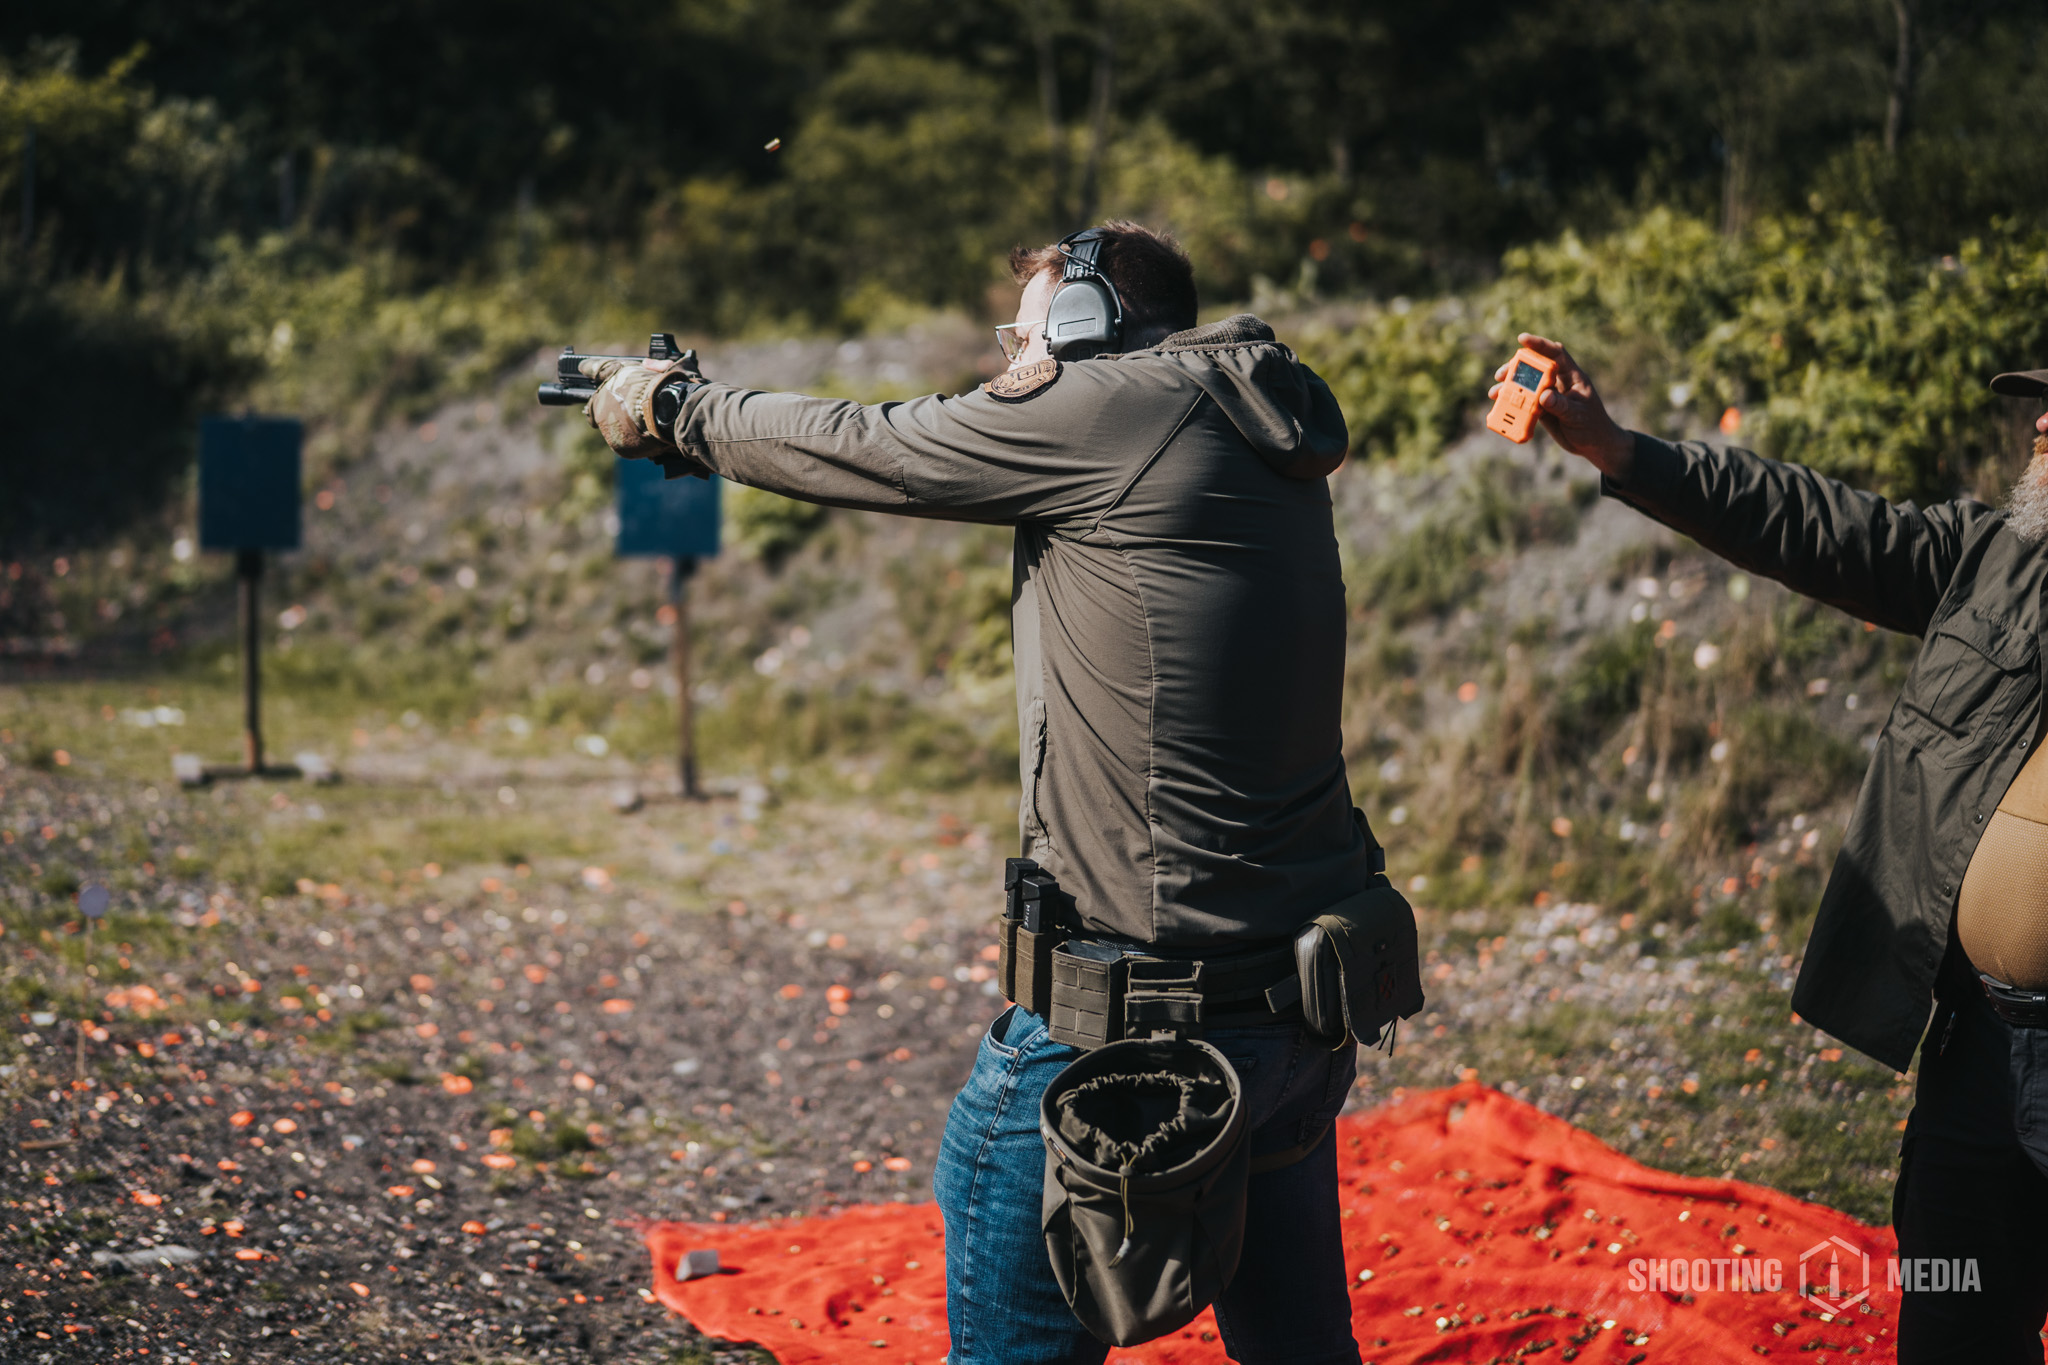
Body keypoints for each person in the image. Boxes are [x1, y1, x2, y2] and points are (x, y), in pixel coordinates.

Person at [581, 221, 1374, 1364]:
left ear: (1091, 322)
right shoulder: (1245, 412)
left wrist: (675, 412)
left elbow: (878, 445)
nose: (1013, 350)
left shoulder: (1120, 409)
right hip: (1289, 1016)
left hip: (1136, 1035)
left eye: (1030, 325)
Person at [1503, 334, 2048, 1363]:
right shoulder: (1996, 557)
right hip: (1979, 1037)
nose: (2038, 425)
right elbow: (1816, 525)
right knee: (1955, 1331)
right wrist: (1621, 453)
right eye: (2038, 403)